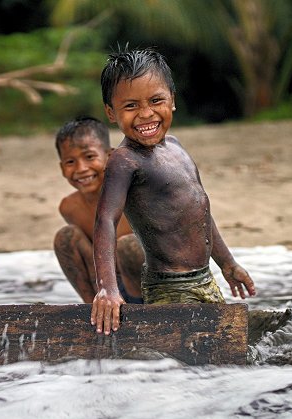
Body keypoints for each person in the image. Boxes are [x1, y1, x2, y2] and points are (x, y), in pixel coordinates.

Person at [92, 47, 256, 335]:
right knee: (184, 364)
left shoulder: (177, 148)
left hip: (204, 279)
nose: (146, 114)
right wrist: (107, 288)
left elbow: (200, 213)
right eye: (130, 106)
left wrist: (227, 264)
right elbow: (105, 220)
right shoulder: (124, 160)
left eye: (156, 100)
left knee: (221, 354)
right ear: (110, 112)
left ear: (173, 100)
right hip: (170, 287)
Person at [53, 116, 145, 305]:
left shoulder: (135, 195)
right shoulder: (69, 207)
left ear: (110, 156)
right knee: (65, 237)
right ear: (62, 168)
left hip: (148, 288)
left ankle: (139, 313)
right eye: (70, 162)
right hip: (107, 290)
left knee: (127, 246)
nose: (81, 169)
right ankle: (91, 309)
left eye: (89, 157)